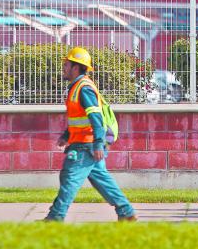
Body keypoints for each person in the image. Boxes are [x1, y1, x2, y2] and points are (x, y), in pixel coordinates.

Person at [44, 47, 137, 222]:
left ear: (76, 67)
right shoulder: (77, 87)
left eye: (66, 64)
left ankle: (55, 217)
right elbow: (79, 117)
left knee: (69, 178)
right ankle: (126, 212)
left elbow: (96, 118)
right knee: (101, 180)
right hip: (83, 141)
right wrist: (66, 135)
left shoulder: (84, 88)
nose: (63, 67)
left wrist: (97, 144)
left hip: (86, 145)